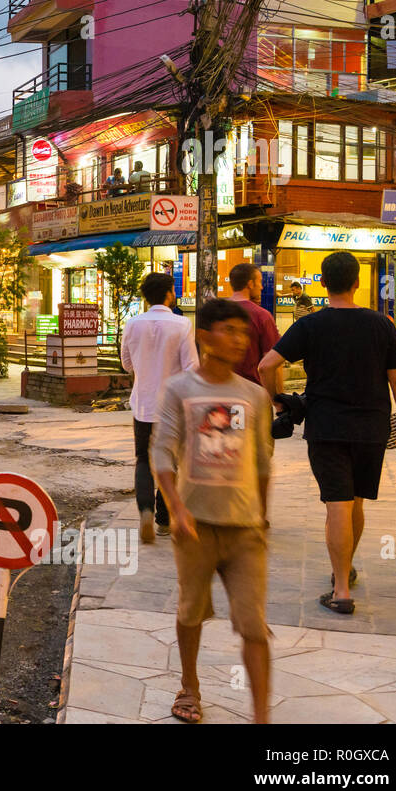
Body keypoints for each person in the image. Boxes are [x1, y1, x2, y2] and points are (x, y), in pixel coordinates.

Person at [257, 250, 396, 615]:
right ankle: (342, 569)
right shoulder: (382, 325)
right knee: (354, 502)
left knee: (337, 504)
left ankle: (342, 589)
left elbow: (266, 364)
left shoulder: (310, 325)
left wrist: (278, 402)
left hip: (327, 426)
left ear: (324, 283)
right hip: (372, 428)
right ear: (358, 282)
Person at [152, 297, 274, 724]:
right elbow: (162, 453)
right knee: (191, 611)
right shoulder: (179, 389)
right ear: (205, 335)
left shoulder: (255, 396)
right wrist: (176, 509)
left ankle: (261, 716)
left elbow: (262, 463)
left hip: (244, 530)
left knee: (254, 626)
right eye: (230, 330)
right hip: (196, 526)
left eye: (244, 332)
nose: (240, 340)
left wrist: (262, 517)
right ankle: (189, 686)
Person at [121, 272, 199, 543]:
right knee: (171, 461)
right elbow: (192, 368)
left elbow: (126, 364)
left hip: (142, 404)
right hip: (173, 408)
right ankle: (164, 521)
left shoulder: (132, 324)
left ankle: (145, 510)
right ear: (169, 294)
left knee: (143, 459)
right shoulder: (182, 325)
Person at [227, 263, 279, 386]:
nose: (261, 287)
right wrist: (276, 398)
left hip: (218, 390)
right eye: (260, 282)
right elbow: (272, 364)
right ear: (250, 284)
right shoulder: (262, 316)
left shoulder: (215, 311)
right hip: (251, 390)